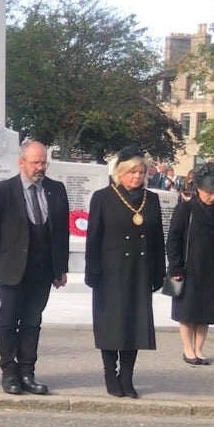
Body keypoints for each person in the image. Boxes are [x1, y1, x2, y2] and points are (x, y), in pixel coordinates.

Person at [0, 140, 69, 395]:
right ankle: (9, 372)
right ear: (21, 163)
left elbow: (61, 231)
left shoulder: (56, 189)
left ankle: (28, 372)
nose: (40, 167)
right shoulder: (3, 191)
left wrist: (60, 267)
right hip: (12, 267)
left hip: (42, 269)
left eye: (44, 162)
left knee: (32, 321)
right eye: (35, 162)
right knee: (8, 320)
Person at [84, 147, 164, 398]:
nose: (137, 177)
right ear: (121, 173)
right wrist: (92, 271)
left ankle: (127, 376)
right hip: (111, 272)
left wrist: (158, 273)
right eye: (132, 172)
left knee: (134, 325)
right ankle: (110, 372)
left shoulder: (151, 199)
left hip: (139, 271)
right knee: (112, 325)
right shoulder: (103, 197)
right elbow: (93, 238)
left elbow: (157, 238)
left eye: (141, 172)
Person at [166, 162, 214, 366]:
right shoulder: (186, 209)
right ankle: (188, 348)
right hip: (189, 268)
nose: (213, 197)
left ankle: (199, 349)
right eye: (209, 193)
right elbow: (173, 239)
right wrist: (175, 267)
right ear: (199, 190)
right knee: (188, 311)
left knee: (205, 312)